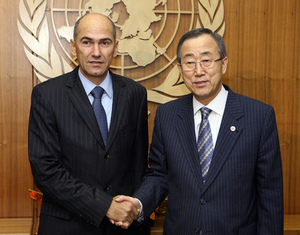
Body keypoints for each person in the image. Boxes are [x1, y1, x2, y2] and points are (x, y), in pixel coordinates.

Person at [115, 28, 284, 234]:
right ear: (180, 68)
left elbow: (270, 194)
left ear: (223, 64)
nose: (198, 71)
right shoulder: (167, 115)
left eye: (206, 60)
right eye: (189, 62)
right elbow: (159, 175)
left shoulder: (259, 116)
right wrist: (138, 204)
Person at [28, 13, 150, 235]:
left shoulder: (135, 94)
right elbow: (46, 171)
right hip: (66, 227)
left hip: (122, 229)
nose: (96, 52)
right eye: (87, 42)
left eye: (104, 42)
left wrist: (132, 212)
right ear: (74, 48)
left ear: (115, 47)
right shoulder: (47, 95)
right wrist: (105, 206)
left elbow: (138, 168)